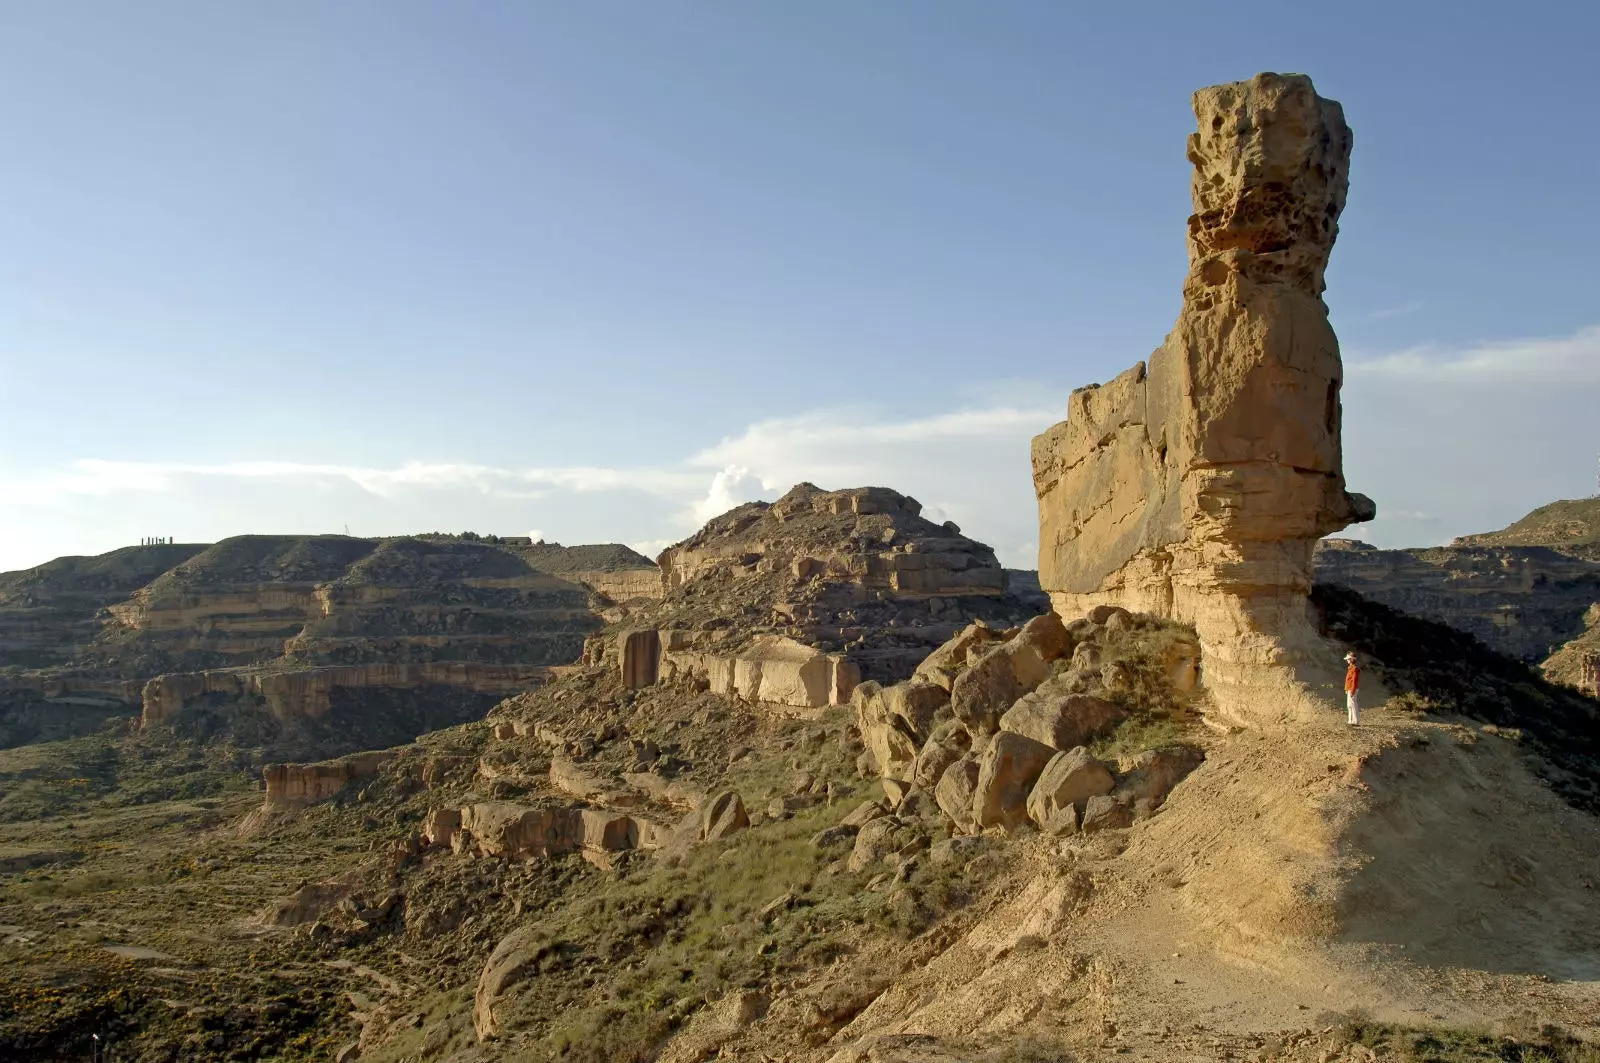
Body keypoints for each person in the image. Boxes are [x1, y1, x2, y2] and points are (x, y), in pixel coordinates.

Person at [1343, 651, 1361, 725]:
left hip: (1352, 689)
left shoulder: (1354, 669)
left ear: (1351, 659)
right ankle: (1350, 720)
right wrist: (1346, 689)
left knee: (1353, 705)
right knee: (1349, 705)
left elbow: (1354, 681)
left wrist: (1352, 690)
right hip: (1349, 689)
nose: (1347, 660)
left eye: (1348, 659)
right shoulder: (1350, 668)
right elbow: (1348, 680)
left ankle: (1355, 721)